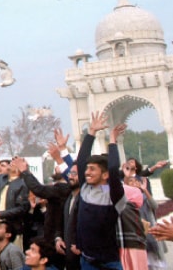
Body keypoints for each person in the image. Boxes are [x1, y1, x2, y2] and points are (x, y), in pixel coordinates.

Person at [73, 112, 127, 270]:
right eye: (87, 169)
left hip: (108, 263)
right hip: (87, 262)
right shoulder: (85, 188)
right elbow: (82, 159)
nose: (87, 172)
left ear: (105, 175)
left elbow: (112, 167)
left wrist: (112, 140)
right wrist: (91, 132)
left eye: (92, 169)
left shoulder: (113, 194)